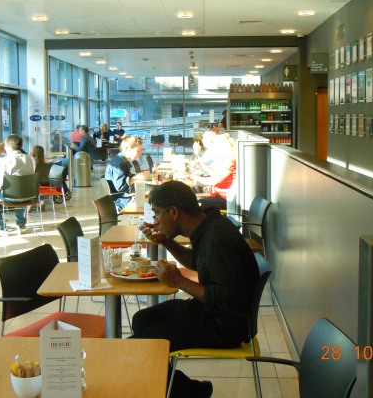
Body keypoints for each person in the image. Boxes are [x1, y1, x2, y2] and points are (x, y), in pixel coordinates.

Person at [132, 181, 260, 398]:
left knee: (140, 347)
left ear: (174, 212)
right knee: (141, 320)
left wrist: (179, 281)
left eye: (157, 214)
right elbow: (197, 262)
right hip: (210, 312)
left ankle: (187, 393)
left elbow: (230, 301)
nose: (155, 221)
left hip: (224, 325)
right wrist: (166, 242)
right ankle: (190, 390)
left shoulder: (218, 240)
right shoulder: (209, 226)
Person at [0, 134, 35, 237]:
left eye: (5, 145)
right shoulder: (29, 159)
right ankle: (21, 225)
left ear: (8, 145)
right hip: (29, 196)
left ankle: (0, 227)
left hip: (11, 197)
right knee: (19, 191)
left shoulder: (5, 160)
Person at [104, 134, 149, 212]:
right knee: (150, 204)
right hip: (120, 200)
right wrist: (136, 177)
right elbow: (120, 187)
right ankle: (146, 219)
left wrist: (138, 175)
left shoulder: (122, 160)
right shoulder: (119, 163)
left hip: (123, 196)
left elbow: (125, 178)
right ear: (129, 149)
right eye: (138, 151)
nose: (140, 154)